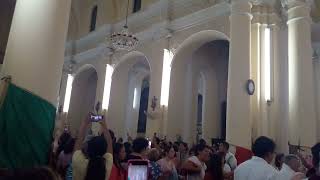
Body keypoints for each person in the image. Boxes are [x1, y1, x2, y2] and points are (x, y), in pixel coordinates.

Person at [72, 113, 113, 180]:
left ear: (88, 148)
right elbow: (109, 143)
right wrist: (104, 125)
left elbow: (78, 142)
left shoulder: (79, 161)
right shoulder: (106, 165)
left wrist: (85, 123)